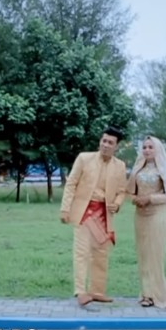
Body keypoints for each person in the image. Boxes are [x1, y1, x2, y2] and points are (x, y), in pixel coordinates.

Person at [60, 127, 128, 307]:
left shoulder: (120, 166)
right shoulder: (84, 158)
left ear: (116, 146)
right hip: (84, 212)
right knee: (81, 252)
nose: (105, 145)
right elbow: (71, 184)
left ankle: (97, 291)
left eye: (110, 143)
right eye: (104, 141)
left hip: (104, 214)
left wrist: (117, 203)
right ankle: (80, 291)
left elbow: (122, 191)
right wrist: (65, 209)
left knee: (101, 253)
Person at [125, 135, 166, 308]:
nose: (147, 150)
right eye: (144, 147)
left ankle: (158, 293)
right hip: (140, 215)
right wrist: (135, 199)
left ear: (157, 149)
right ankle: (146, 294)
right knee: (143, 253)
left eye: (150, 147)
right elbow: (130, 192)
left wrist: (150, 198)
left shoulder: (163, 169)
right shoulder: (137, 169)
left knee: (155, 253)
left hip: (158, 214)